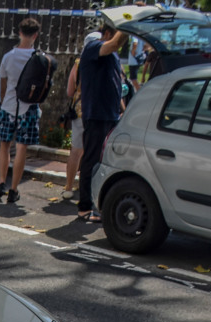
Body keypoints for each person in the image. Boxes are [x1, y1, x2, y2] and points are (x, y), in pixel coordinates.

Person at [0, 17, 43, 205]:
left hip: (9, 106)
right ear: (35, 35)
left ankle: (1, 182)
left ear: (19, 33)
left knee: (4, 145)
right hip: (29, 107)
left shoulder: (8, 57)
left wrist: (5, 101)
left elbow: (3, 84)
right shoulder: (39, 58)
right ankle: (14, 189)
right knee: (21, 148)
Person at [76, 23, 127, 224]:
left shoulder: (112, 56)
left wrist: (123, 111)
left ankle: (98, 204)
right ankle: (84, 207)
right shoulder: (93, 48)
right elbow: (114, 44)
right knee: (91, 160)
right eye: (119, 37)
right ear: (106, 33)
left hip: (110, 115)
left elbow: (115, 84)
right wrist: (128, 23)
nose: (121, 43)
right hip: (96, 115)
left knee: (106, 162)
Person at [61, 32, 98, 201]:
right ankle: (89, 189)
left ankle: (68, 187)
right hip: (98, 111)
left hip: (79, 110)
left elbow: (69, 91)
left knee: (76, 150)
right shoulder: (104, 62)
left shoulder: (78, 63)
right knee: (94, 152)